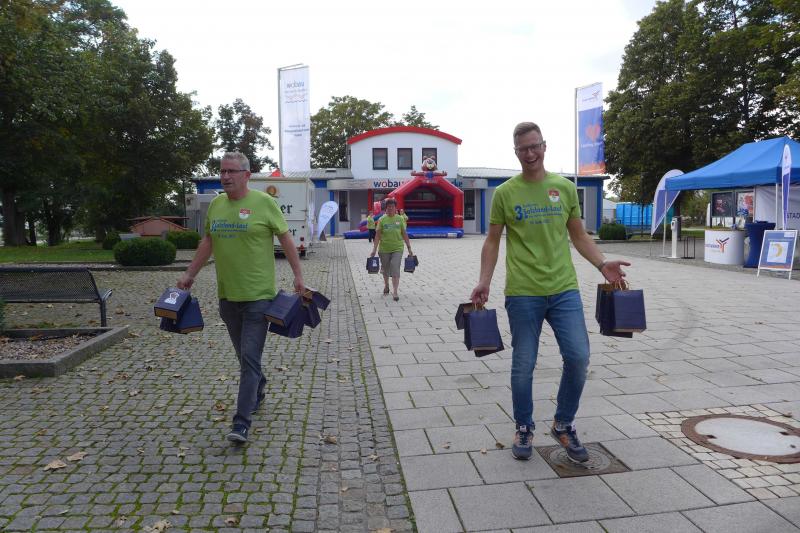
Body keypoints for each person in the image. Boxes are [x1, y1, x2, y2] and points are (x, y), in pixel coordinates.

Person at [470, 122, 629, 463]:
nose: (530, 153)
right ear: (515, 152)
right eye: (523, 149)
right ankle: (523, 426)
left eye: (534, 146)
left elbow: (579, 235)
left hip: (564, 289)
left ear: (544, 146)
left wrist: (602, 264)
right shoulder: (505, 193)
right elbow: (492, 241)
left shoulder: (564, 189)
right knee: (523, 364)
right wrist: (484, 280)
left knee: (578, 357)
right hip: (523, 292)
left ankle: (563, 423)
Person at [177, 151, 305, 444]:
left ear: (246, 175)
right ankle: (258, 384)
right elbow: (208, 241)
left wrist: (298, 275)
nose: (225, 176)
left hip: (259, 295)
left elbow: (285, 238)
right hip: (228, 295)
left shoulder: (265, 203)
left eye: (231, 171)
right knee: (245, 356)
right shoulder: (217, 205)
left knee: (248, 356)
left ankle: (241, 422)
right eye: (222, 171)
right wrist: (189, 274)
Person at [370, 197, 413, 301]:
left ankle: (395, 291)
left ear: (395, 208)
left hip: (398, 248)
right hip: (384, 249)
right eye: (388, 207)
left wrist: (409, 248)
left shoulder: (400, 219)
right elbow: (377, 236)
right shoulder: (382, 220)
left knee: (395, 267)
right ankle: (386, 285)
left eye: (392, 207)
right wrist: (374, 250)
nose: (390, 208)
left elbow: (404, 233)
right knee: (385, 269)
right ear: (386, 208)